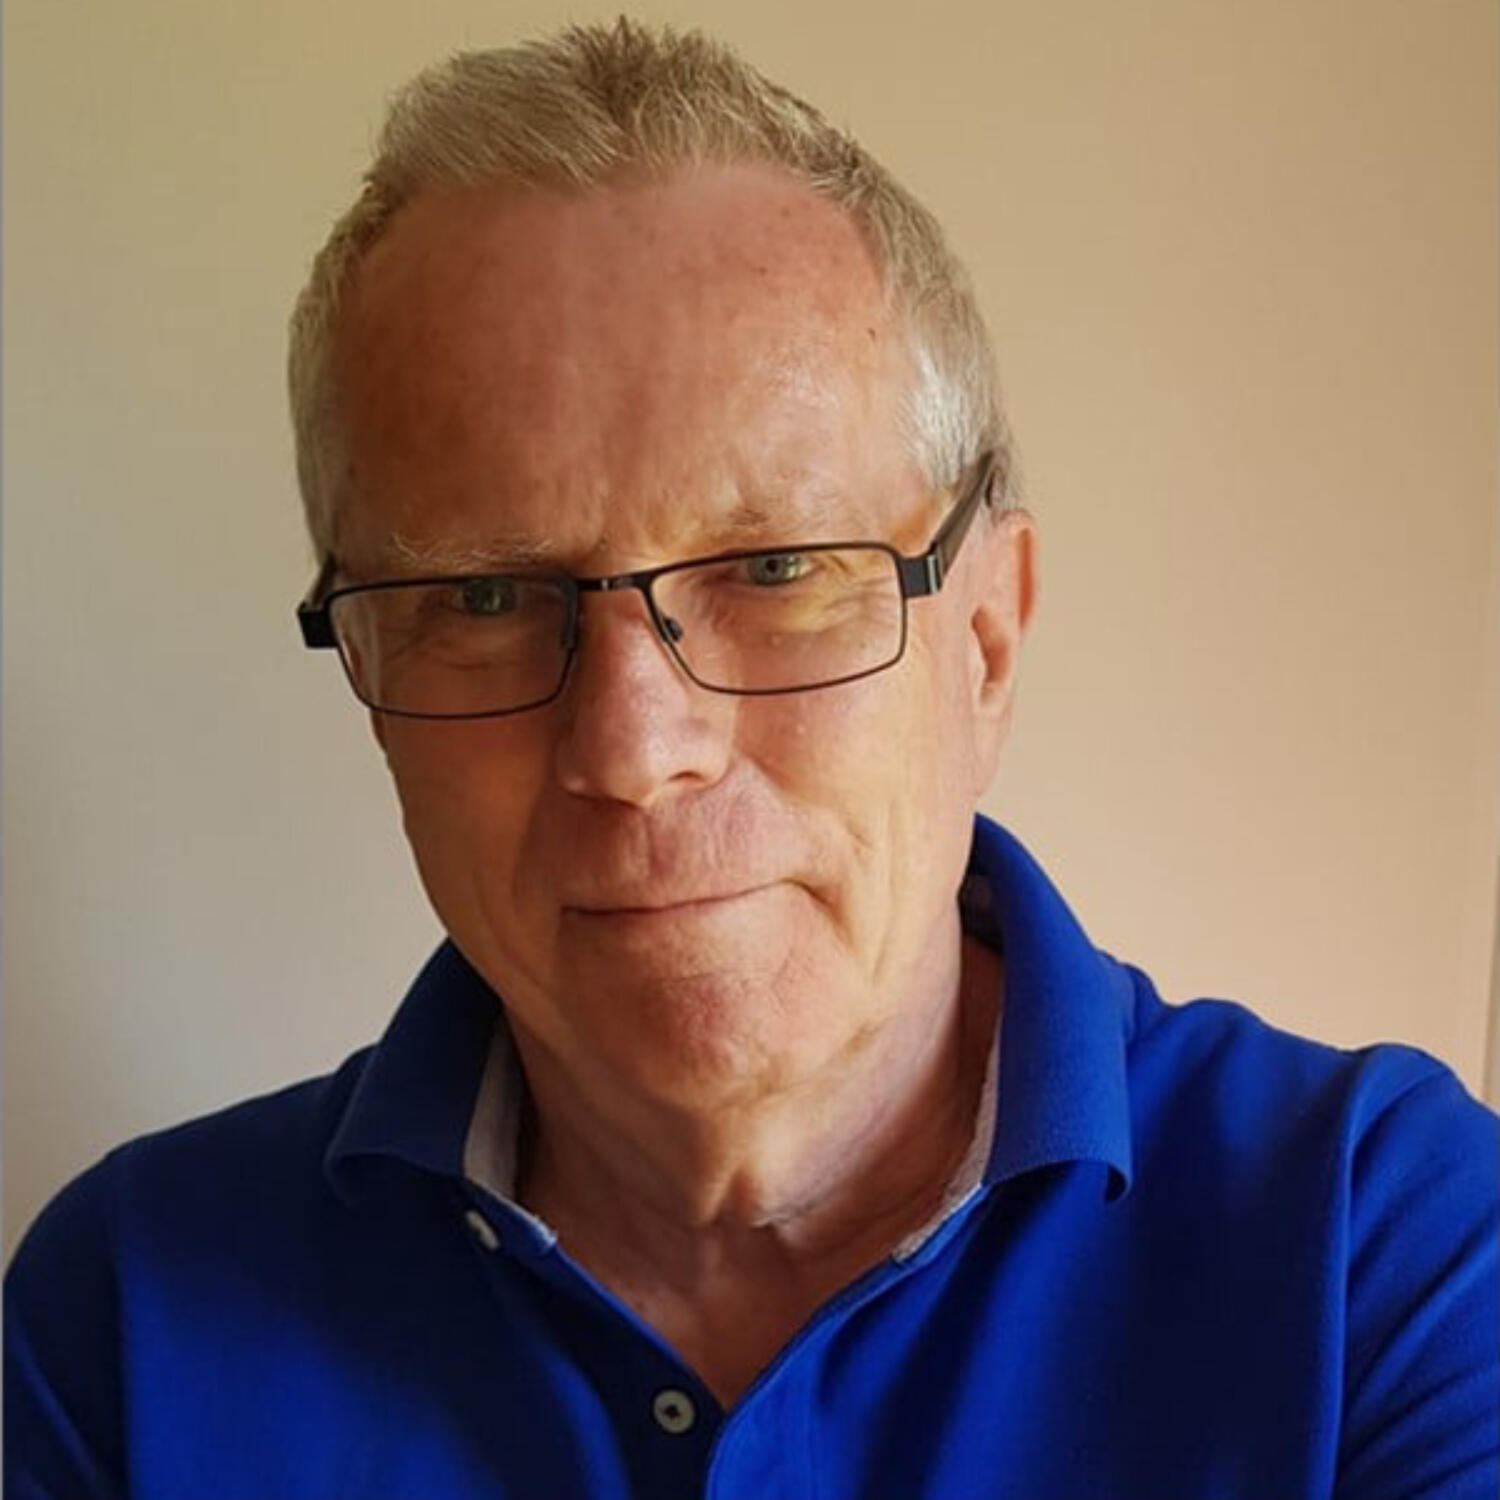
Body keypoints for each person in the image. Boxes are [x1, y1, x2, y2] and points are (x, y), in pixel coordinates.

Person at [6, 18, 1496, 1499]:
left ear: (985, 639)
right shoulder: (120, 1329)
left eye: (777, 569)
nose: (634, 748)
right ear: (373, 680)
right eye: (484, 599)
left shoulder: (1387, 1255)